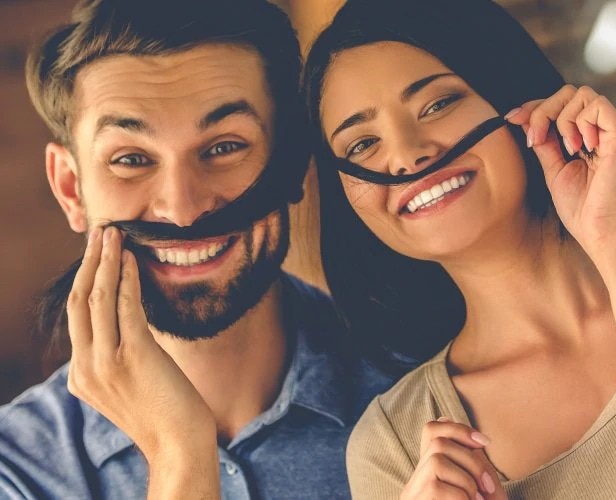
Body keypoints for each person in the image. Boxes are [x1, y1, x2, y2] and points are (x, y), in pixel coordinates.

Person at [303, 0, 616, 498]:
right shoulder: (396, 448)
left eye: (437, 104)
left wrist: (613, 243)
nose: (406, 155)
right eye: (362, 145)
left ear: (513, 95)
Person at [0, 0, 395, 498]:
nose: (183, 209)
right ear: (71, 190)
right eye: (131, 158)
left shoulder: (423, 399)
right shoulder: (16, 468)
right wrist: (177, 453)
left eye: (225, 147)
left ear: (293, 163)